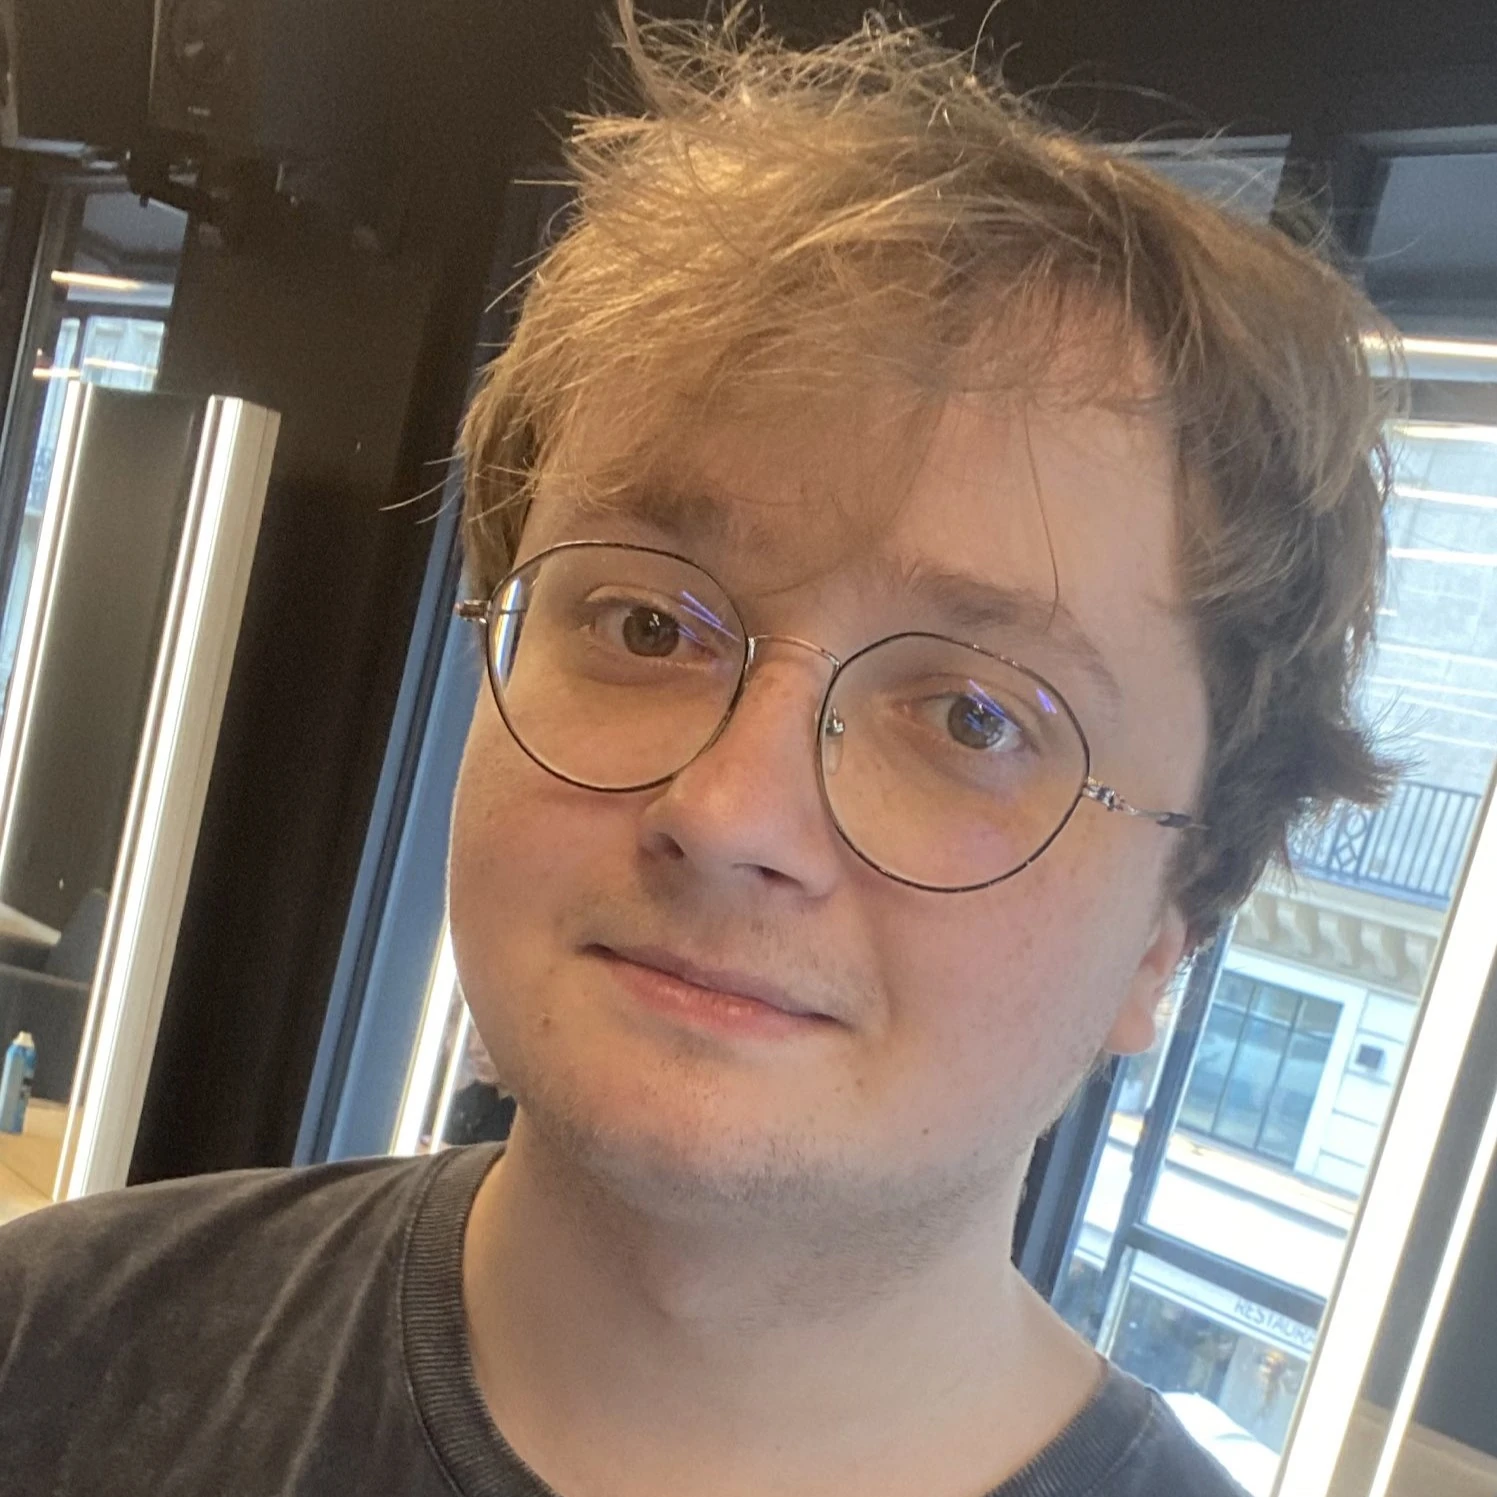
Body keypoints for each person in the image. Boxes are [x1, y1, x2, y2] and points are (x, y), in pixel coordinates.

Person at [0, 7, 1398, 1495]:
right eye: (650, 626)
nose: (730, 812)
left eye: (975, 718)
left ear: (1169, 934)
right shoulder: (51, 1353)